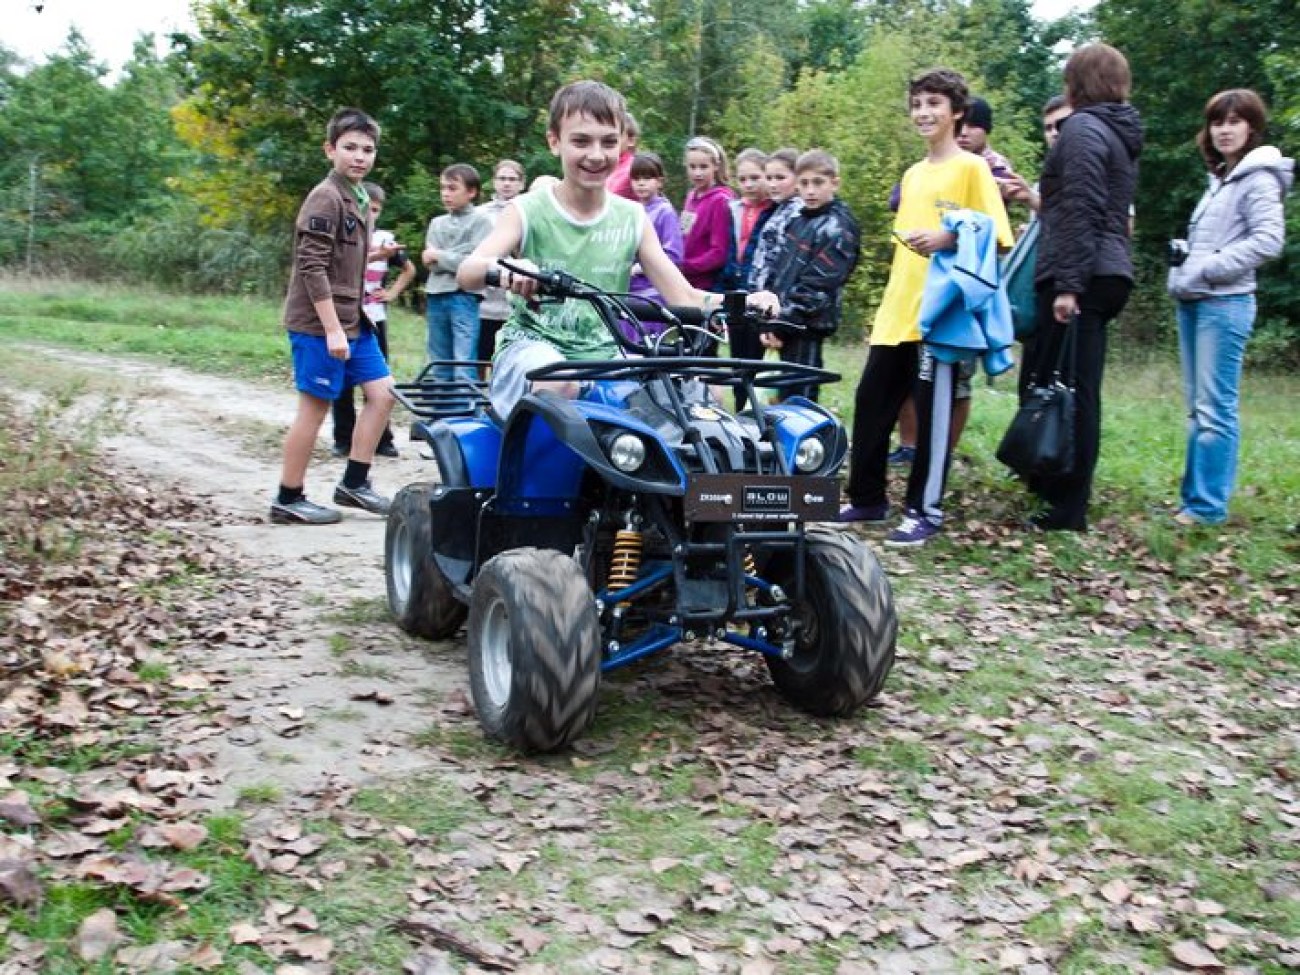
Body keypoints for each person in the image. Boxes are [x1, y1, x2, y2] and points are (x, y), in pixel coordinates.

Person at [456, 80, 777, 420]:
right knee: (560, 381)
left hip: (605, 353)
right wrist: (508, 270)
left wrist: (747, 301)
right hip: (531, 351)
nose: (596, 154)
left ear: (623, 143)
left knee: (681, 392)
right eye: (580, 141)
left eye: (608, 142)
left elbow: (685, 296)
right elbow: (468, 272)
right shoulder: (527, 210)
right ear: (554, 141)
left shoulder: (632, 217)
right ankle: (540, 473)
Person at [838, 68, 1012, 546]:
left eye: (934, 103)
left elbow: (997, 235)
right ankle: (868, 497)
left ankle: (924, 510)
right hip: (898, 310)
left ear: (957, 112)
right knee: (871, 403)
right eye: (916, 104)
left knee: (934, 414)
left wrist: (947, 237)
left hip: (943, 314)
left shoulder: (972, 168)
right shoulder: (913, 174)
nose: (923, 113)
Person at [1021, 43, 1143, 532]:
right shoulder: (1118, 130)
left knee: (1073, 391)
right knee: (1074, 386)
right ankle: (1054, 487)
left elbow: (1082, 210)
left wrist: (1069, 286)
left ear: (1077, 82)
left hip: (1084, 275)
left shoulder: (1084, 130)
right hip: (1106, 271)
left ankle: (1068, 507)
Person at [1167, 88, 1292, 525]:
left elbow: (1268, 240)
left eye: (1234, 121)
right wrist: (1187, 263)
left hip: (1226, 303)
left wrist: (1209, 267)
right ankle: (1193, 500)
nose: (1224, 130)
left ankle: (1207, 507)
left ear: (1252, 128)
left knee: (1215, 408)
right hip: (1197, 300)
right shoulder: (1222, 178)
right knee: (1198, 406)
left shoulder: (1258, 177)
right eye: (1218, 122)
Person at [270, 108, 396, 525]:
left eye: (367, 149)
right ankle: (288, 497)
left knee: (382, 394)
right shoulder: (325, 196)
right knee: (315, 408)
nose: (359, 157)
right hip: (320, 325)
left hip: (353, 319)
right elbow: (311, 267)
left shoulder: (359, 196)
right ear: (330, 150)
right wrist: (331, 330)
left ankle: (354, 484)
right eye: (350, 148)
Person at [758, 149, 861, 403]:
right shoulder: (800, 220)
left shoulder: (838, 227)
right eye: (804, 183)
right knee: (775, 399)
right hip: (784, 321)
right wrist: (769, 319)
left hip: (807, 326)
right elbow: (779, 271)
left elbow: (818, 286)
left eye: (818, 183)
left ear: (834, 182)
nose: (810, 191)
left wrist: (782, 323)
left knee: (800, 400)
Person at [331, 182, 415, 458]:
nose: (371, 214)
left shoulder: (384, 238)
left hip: (374, 317)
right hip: (344, 317)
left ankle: (382, 438)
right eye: (366, 207)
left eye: (376, 209)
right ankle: (343, 438)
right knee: (342, 381)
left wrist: (391, 291)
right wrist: (379, 256)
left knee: (378, 381)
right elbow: (344, 262)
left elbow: (409, 269)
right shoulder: (344, 234)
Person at [422, 163, 493, 384]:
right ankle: (442, 415)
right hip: (436, 294)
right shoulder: (437, 223)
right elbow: (429, 262)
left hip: (464, 296)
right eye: (443, 188)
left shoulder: (482, 221)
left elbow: (477, 263)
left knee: (463, 363)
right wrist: (456, 256)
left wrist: (440, 255)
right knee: (439, 361)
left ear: (471, 192)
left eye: (452, 188)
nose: (445, 194)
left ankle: (465, 414)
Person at [626, 150, 685, 341]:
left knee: (646, 345)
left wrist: (638, 267)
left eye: (647, 177)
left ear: (659, 181)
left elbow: (674, 254)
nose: (641, 183)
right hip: (628, 293)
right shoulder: (632, 211)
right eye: (636, 178)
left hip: (652, 294)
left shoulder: (665, 212)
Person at [476, 159, 527, 374]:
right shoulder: (480, 214)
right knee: (480, 356)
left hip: (515, 299)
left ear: (522, 183)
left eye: (512, 179)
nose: (507, 184)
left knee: (507, 360)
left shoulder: (529, 211)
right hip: (484, 299)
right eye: (502, 178)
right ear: (494, 181)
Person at [679, 135, 736, 292]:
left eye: (703, 167)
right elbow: (684, 235)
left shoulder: (720, 201)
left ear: (715, 166)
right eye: (692, 167)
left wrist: (686, 266)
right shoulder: (691, 196)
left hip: (705, 285)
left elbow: (719, 252)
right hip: (683, 281)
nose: (697, 173)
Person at [606, 111, 640, 201]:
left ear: (631, 141)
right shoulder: (601, 166)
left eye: (615, 135)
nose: (609, 139)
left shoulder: (634, 169)